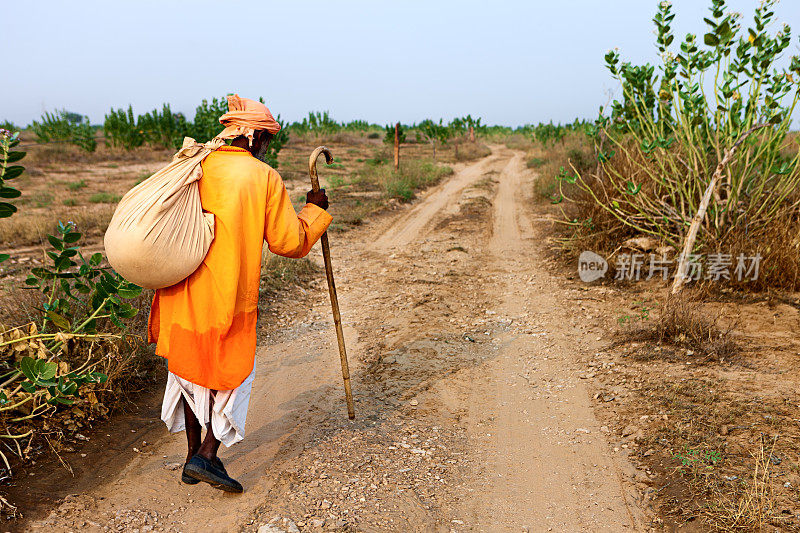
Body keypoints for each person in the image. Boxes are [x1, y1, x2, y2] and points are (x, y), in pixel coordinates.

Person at [147, 95, 331, 492]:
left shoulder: (196, 163)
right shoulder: (262, 177)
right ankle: (207, 457)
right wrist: (314, 211)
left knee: (190, 374)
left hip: (181, 291)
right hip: (228, 296)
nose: (267, 145)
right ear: (253, 135)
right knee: (230, 375)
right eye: (266, 138)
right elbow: (288, 242)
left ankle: (191, 458)